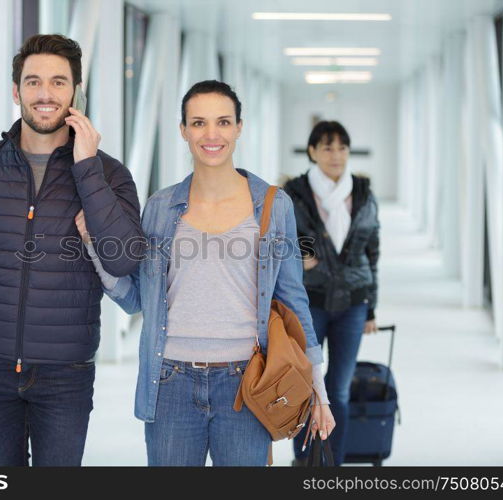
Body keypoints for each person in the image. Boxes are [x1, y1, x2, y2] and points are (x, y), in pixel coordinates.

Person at [0, 34, 144, 466]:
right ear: (16, 91)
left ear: (75, 92)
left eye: (59, 82)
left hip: (66, 373)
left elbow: (125, 259)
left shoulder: (109, 174)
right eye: (33, 81)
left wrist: (87, 168)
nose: (45, 93)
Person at [76, 80, 334, 466]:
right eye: (198, 123)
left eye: (223, 122)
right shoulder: (160, 207)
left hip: (247, 384)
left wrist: (320, 392)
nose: (211, 135)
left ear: (239, 128)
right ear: (183, 131)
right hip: (170, 383)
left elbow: (295, 300)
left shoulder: (272, 205)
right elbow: (135, 299)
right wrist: (94, 245)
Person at [285, 120, 380, 466]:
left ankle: (332, 465)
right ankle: (303, 461)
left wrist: (371, 309)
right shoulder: (294, 192)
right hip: (308, 303)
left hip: (353, 304)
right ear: (312, 152)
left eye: (341, 147)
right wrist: (299, 256)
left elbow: (372, 251)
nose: (335, 154)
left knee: (338, 389)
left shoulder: (364, 191)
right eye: (327, 147)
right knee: (304, 385)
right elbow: (281, 239)